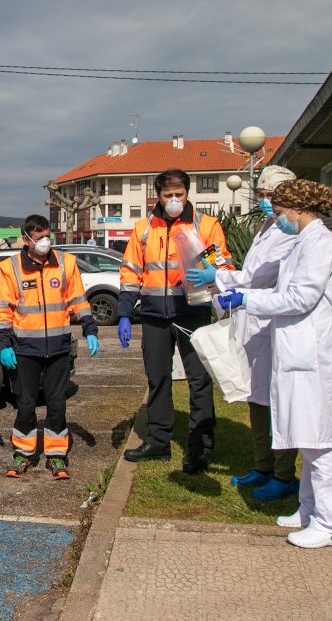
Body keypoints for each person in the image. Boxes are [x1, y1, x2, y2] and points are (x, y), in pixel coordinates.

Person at [218, 179, 332, 549]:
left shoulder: (320, 244)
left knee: (322, 443)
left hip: (315, 356)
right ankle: (309, 512)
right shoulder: (304, 243)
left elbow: (298, 297)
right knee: (307, 439)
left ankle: (331, 524)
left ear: (296, 209)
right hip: (298, 353)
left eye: (279, 213)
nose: (277, 220)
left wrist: (247, 299)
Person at [187, 165, 300, 501]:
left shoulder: (289, 233)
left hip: (269, 325)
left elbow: (257, 279)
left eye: (271, 197)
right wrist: (221, 272)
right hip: (253, 325)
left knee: (274, 401)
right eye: (262, 195)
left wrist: (219, 276)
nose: (265, 203)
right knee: (256, 398)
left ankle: (283, 473)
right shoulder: (268, 227)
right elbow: (248, 272)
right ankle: (264, 466)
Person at [118, 168, 234, 474]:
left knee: (199, 381)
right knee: (158, 380)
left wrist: (212, 272)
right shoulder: (144, 228)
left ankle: (200, 449)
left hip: (193, 313)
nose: (173, 200)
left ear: (187, 194)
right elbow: (130, 272)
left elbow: (224, 264)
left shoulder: (205, 225)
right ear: (157, 195)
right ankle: (158, 442)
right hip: (155, 316)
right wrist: (125, 314)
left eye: (179, 195)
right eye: (168, 195)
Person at [0, 214, 99, 480]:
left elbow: (78, 298)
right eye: (38, 236)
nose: (44, 241)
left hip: (58, 348)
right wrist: (5, 344)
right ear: (26, 239)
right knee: (26, 404)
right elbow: (4, 310)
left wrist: (89, 328)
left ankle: (55, 455)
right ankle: (24, 453)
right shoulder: (11, 268)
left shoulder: (65, 264)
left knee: (56, 404)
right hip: (25, 349)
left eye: (46, 235)